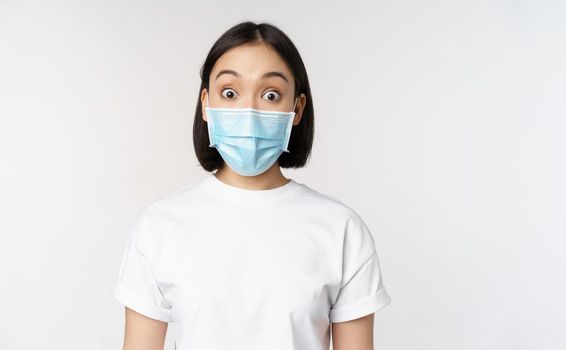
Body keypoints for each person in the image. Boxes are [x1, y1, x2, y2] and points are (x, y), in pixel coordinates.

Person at [112, 21, 391, 350]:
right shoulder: (160, 226)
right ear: (206, 104)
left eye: (270, 94)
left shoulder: (341, 230)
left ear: (297, 108)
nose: (249, 110)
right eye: (229, 93)